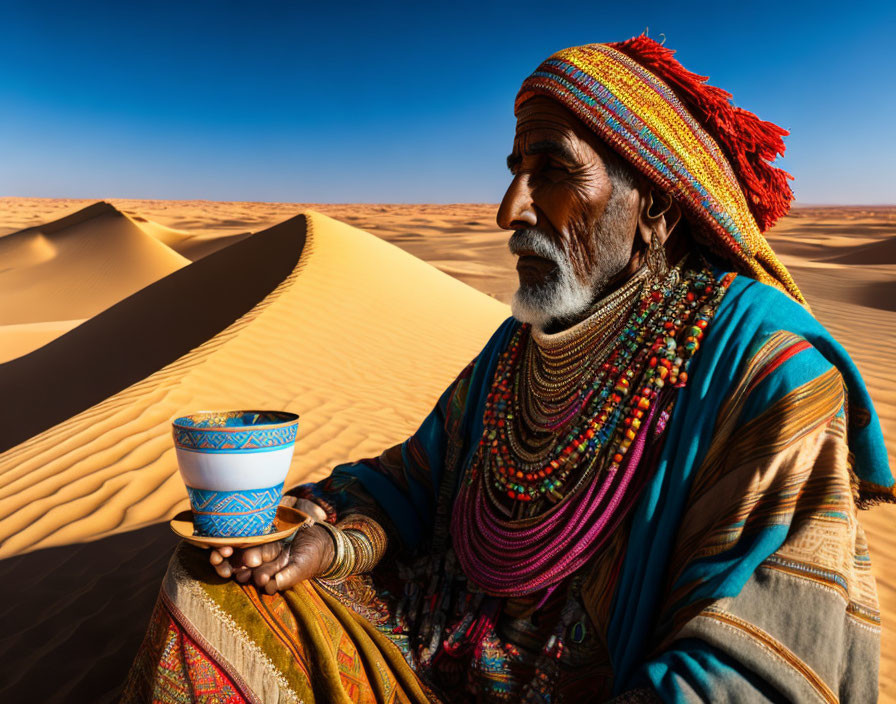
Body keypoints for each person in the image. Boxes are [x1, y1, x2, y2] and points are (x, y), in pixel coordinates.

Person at [123, 35, 893, 703]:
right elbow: (419, 480)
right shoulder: (523, 346)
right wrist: (324, 540)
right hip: (429, 651)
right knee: (206, 592)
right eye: (514, 167)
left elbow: (756, 669)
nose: (509, 209)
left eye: (552, 170)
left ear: (654, 205)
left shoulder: (764, 369)